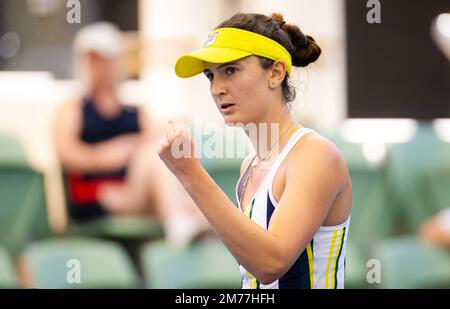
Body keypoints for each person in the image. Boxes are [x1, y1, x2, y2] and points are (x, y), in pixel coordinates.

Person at [157, 13, 353, 289]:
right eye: (210, 75)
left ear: (275, 73)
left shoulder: (316, 156)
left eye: (231, 70)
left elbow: (270, 264)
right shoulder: (249, 165)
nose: (216, 88)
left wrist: (190, 174)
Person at [53, 22, 209, 246]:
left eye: (105, 58)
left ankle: (195, 228)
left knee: (159, 156)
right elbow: (67, 155)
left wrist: (132, 147)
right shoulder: (73, 109)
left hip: (137, 190)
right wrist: (108, 155)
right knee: (152, 155)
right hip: (100, 195)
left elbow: (160, 145)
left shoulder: (136, 111)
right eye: (93, 58)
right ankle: (184, 226)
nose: (99, 66)